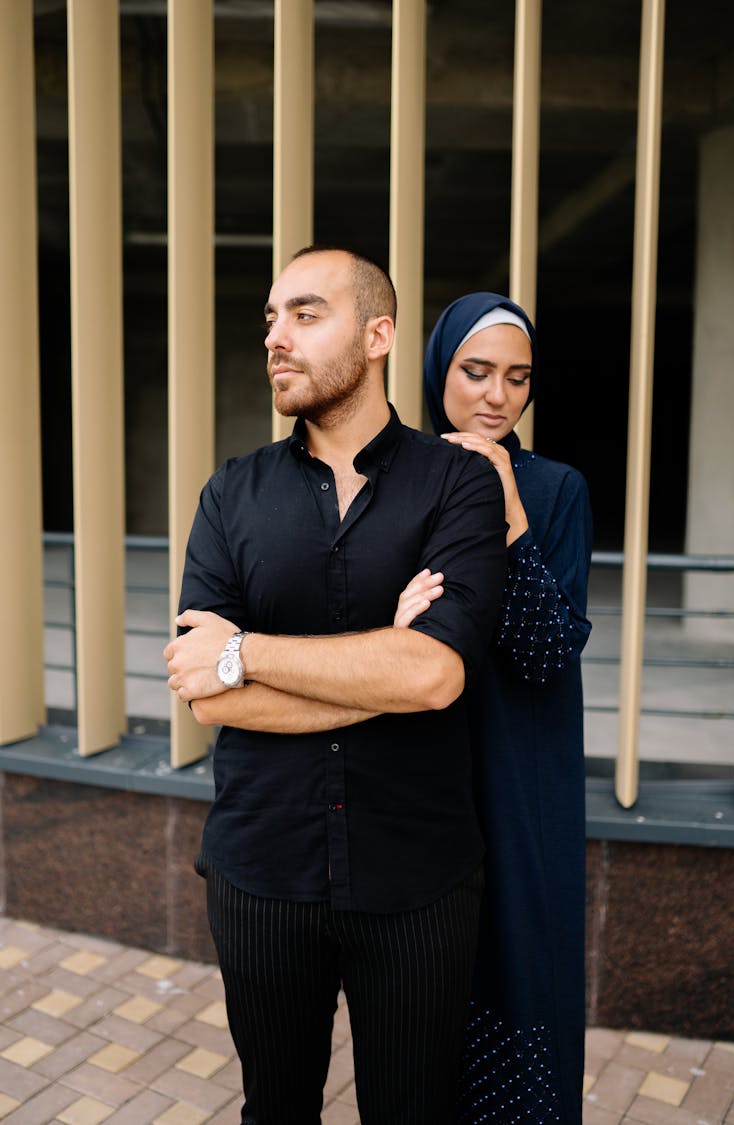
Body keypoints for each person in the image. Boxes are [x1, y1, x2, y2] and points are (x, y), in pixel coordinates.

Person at [163, 248, 508, 1125]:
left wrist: (249, 649)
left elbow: (435, 676)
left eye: (305, 315)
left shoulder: (460, 481)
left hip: (419, 879)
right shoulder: (231, 493)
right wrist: (384, 652)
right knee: (274, 1110)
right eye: (271, 320)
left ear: (378, 334)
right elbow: (206, 689)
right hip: (260, 872)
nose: (276, 338)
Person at [409, 292, 592, 1124]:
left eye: (517, 378)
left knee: (519, 977)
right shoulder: (398, 480)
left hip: (519, 775)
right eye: (475, 371)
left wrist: (510, 511)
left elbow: (549, 650)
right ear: (437, 370)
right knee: (422, 997)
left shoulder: (556, 491)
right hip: (422, 772)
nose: (497, 396)